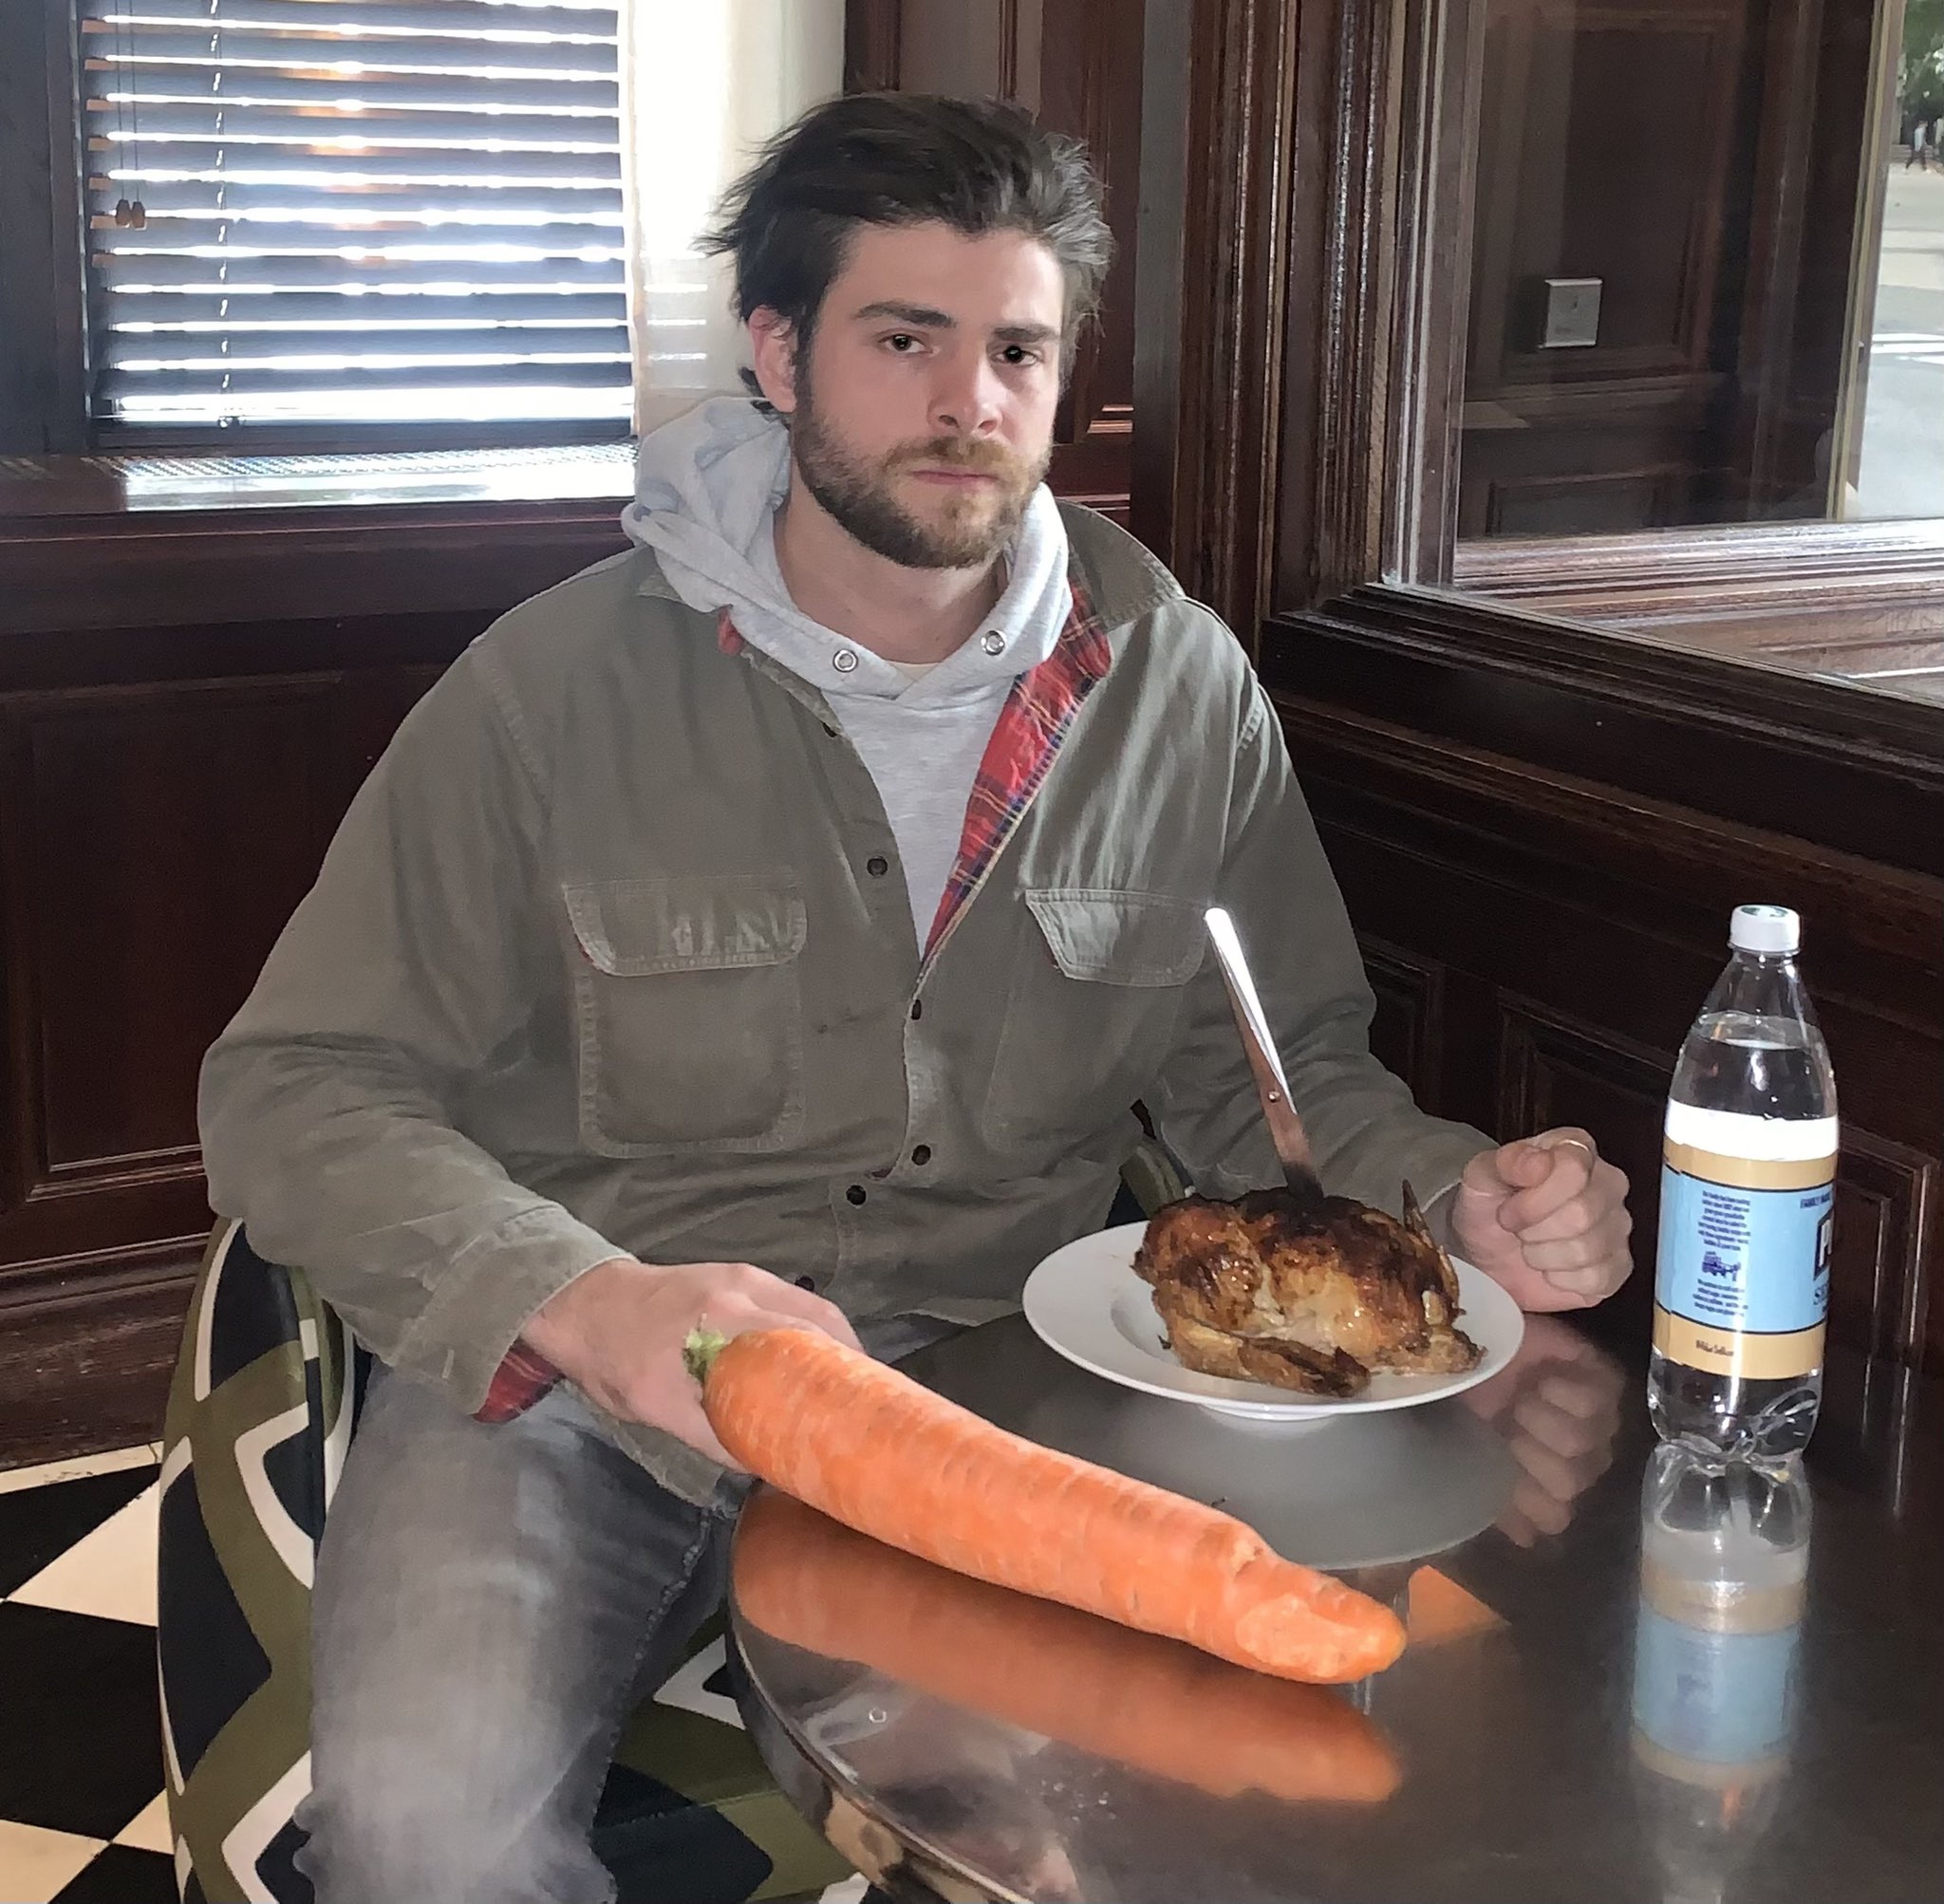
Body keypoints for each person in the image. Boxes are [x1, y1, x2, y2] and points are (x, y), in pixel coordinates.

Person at [198, 92, 1635, 1903]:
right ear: (778, 353)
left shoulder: (1178, 692)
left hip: (1002, 1406)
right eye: (906, 340)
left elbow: (1275, 1089)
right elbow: (296, 1085)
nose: (971, 404)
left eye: (1017, 349)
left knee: (1211, 1816)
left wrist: (1455, 1201)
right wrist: (581, 1298)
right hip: (580, 1396)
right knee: (426, 1843)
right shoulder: (542, 696)